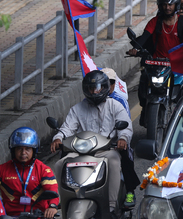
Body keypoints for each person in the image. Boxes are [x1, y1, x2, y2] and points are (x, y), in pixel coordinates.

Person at [51, 70, 134, 216]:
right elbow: (67, 128)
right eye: (91, 88)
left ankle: (112, 205)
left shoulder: (115, 105)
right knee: (59, 164)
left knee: (114, 161)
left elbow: (126, 126)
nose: (95, 91)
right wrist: (58, 138)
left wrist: (122, 138)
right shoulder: (77, 109)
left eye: (98, 88)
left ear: (105, 88)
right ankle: (59, 202)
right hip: (80, 151)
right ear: (86, 89)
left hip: (106, 150)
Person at [126, 0, 183, 123]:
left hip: (178, 64)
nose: (167, 7)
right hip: (157, 63)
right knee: (143, 83)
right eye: (164, 4)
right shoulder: (155, 21)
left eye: (170, 4)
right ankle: (145, 109)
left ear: (176, 5)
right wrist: (135, 48)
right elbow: (145, 36)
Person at [0, 127, 59, 218]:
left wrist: (52, 206)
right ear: (13, 150)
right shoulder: (1, 169)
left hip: (38, 216)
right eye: (19, 149)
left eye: (28, 149)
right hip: (9, 217)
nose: (23, 153)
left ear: (34, 150)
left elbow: (52, 190)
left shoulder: (43, 170)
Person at [101, 68, 140, 208]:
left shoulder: (119, 101)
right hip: (94, 144)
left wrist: (122, 138)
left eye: (110, 82)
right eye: (104, 83)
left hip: (114, 143)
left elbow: (126, 122)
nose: (108, 86)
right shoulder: (87, 102)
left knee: (125, 158)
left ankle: (130, 191)